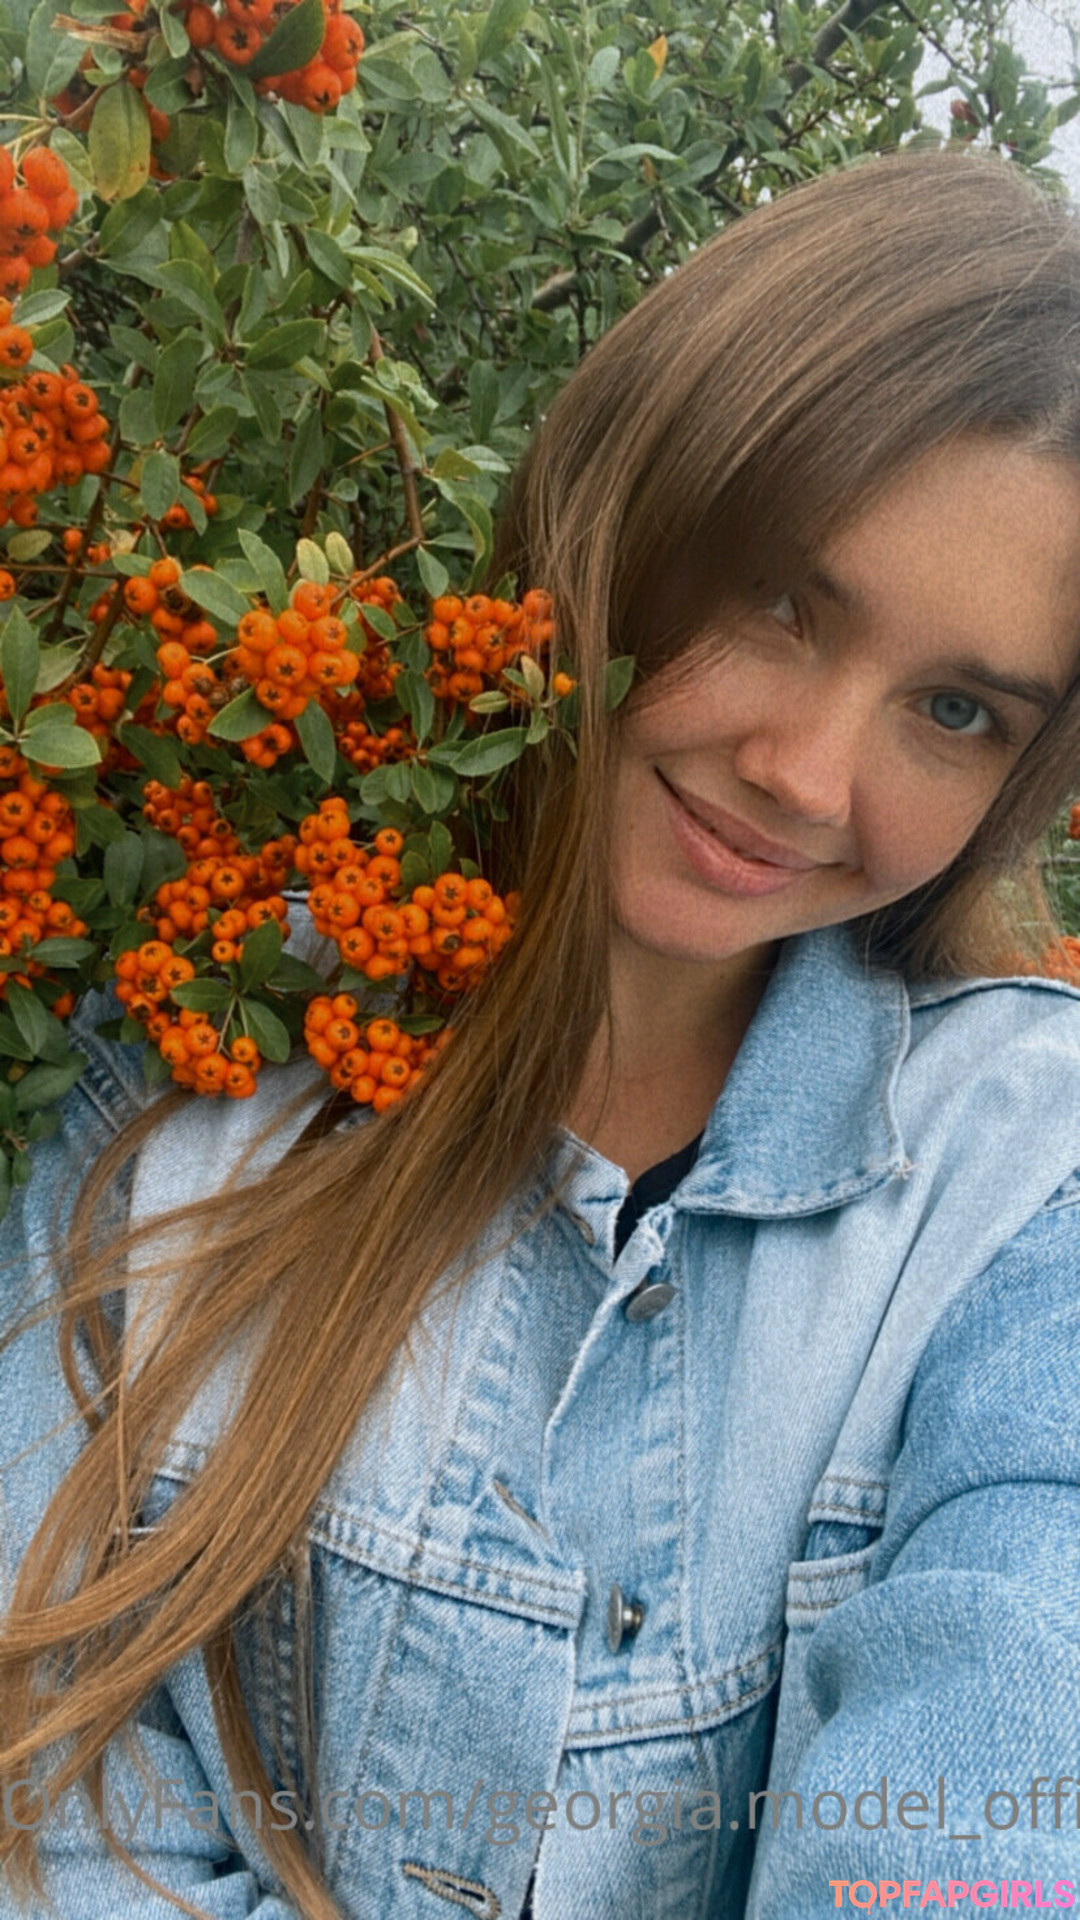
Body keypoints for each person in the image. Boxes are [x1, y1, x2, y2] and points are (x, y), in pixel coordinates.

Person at [2, 142, 1080, 1920]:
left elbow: (1004, 1740)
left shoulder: (1024, 1185)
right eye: (781, 602)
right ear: (626, 506)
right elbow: (49, 1828)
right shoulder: (174, 1055)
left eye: (955, 709)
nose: (809, 776)